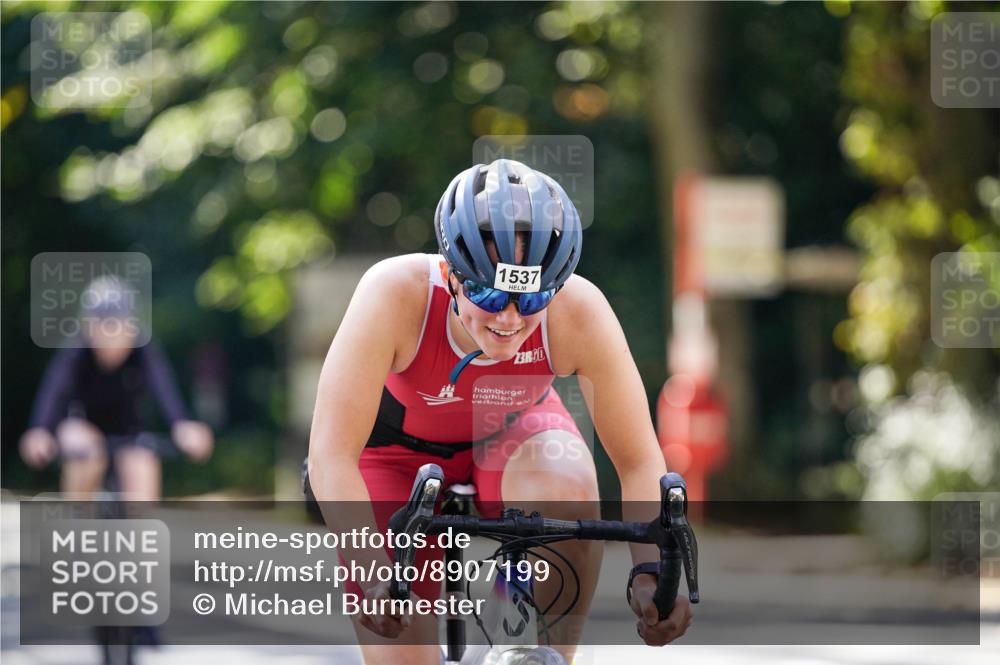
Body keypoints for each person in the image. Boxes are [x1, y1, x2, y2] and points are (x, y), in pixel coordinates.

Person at [307, 159, 693, 664]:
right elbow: (331, 456)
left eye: (532, 298)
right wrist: (374, 570)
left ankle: (526, 638)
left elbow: (640, 461)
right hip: (392, 460)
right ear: (450, 275)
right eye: (489, 293)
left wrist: (649, 577)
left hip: (509, 439)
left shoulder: (578, 311)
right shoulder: (394, 294)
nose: (510, 319)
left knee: (566, 484)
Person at [19, 275, 213, 500]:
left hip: (128, 432)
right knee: (87, 453)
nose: (110, 337)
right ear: (88, 329)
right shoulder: (76, 350)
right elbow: (55, 389)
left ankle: (139, 533)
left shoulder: (143, 348)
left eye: (117, 327)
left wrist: (182, 424)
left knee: (143, 466)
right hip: (82, 427)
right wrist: (40, 429)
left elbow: (163, 387)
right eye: (102, 327)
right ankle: (75, 522)